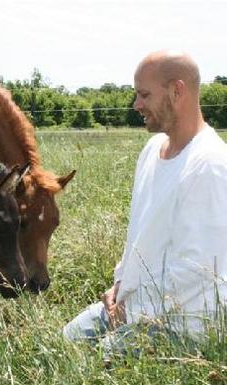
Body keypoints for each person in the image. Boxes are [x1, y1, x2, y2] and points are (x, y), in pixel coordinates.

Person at [63, 50, 227, 353]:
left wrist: (133, 309)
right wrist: (119, 287)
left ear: (177, 91)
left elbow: (198, 271)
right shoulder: (152, 150)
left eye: (144, 95)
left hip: (183, 324)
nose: (136, 105)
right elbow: (139, 239)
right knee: (66, 340)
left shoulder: (210, 164)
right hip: (132, 304)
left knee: (100, 359)